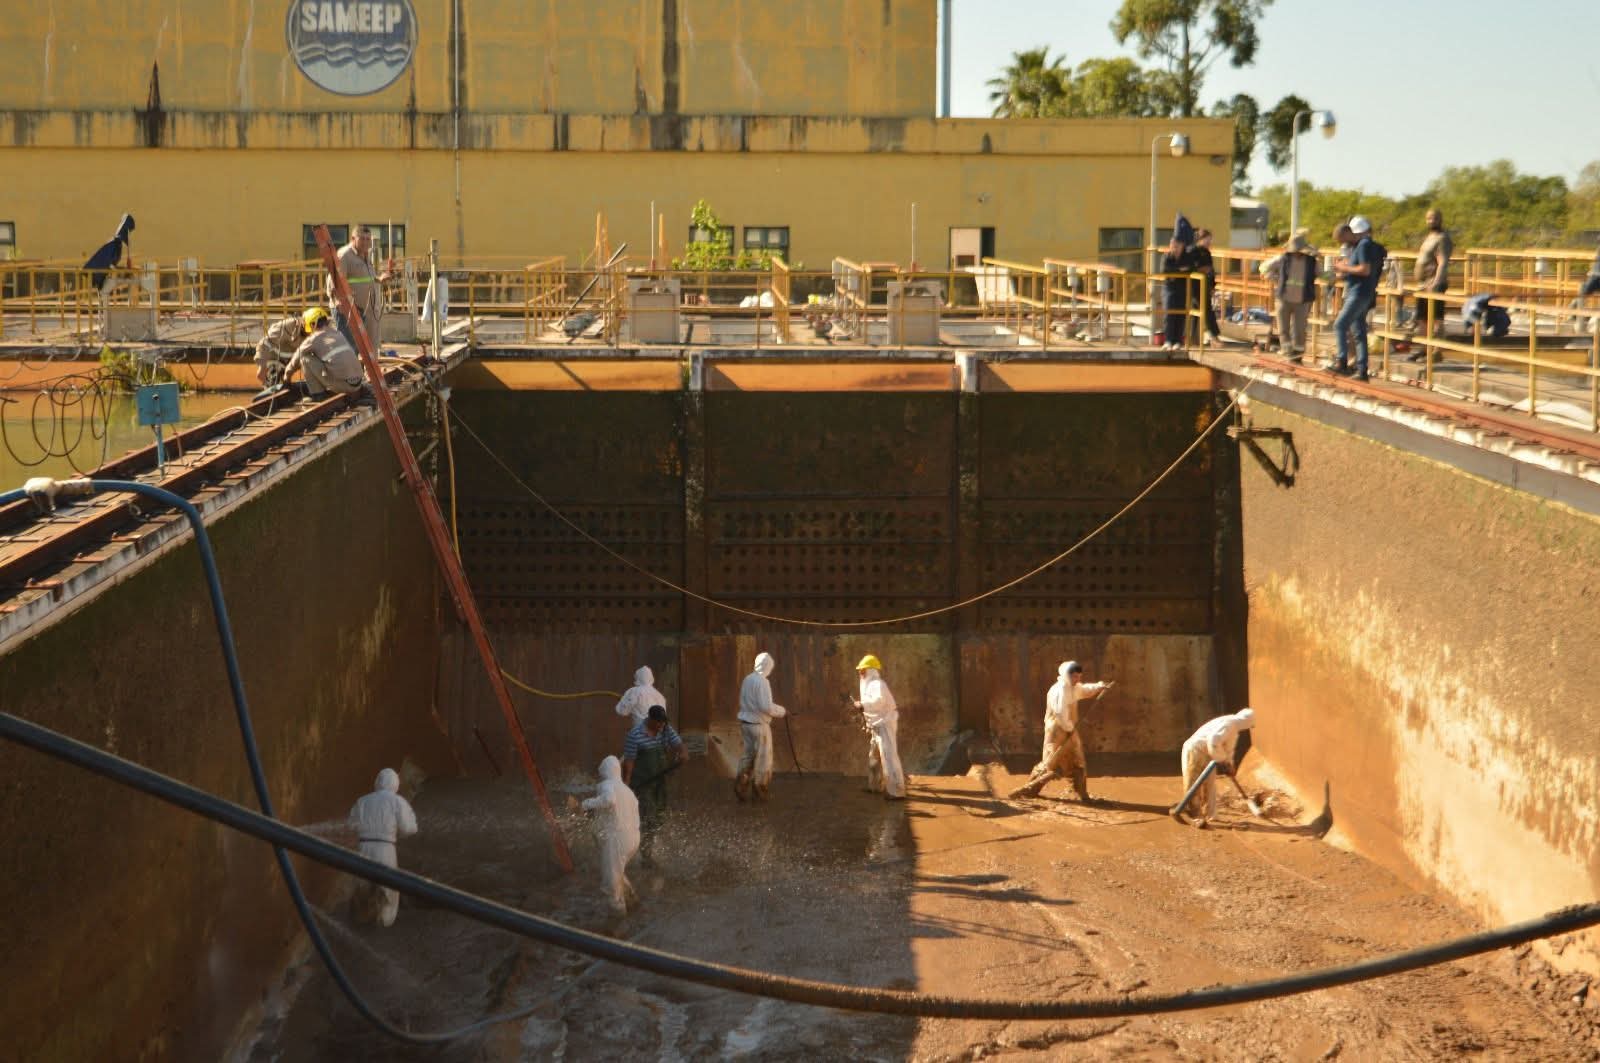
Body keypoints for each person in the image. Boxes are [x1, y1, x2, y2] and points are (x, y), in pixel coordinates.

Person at [1009, 661, 1114, 800]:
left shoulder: (1074, 687)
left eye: (1078, 676)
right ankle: (1031, 790)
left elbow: (1084, 690)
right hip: (1056, 731)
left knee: (1078, 760)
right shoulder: (1059, 690)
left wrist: (1099, 686)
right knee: (1050, 762)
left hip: (1070, 729)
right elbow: (1060, 712)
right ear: (1066, 675)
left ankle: (1081, 792)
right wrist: (1069, 729)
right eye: (1074, 676)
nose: (1077, 679)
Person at [347, 767, 418, 927]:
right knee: (388, 889)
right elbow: (410, 828)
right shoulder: (398, 801)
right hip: (386, 849)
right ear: (396, 784)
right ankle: (383, 923)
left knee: (362, 885)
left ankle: (360, 920)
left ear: (377, 782)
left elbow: (351, 825)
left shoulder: (362, 801)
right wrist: (397, 833)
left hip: (364, 847)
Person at [622, 704, 687, 863]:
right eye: (658, 722)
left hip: (659, 782)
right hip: (643, 784)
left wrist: (683, 753)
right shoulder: (635, 735)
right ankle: (646, 856)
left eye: (663, 722)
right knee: (648, 817)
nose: (661, 725)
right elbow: (629, 762)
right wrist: (626, 787)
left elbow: (679, 744)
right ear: (650, 720)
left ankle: (646, 846)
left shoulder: (665, 729)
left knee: (659, 816)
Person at [1174, 708, 1256, 828]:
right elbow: (1213, 741)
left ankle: (1211, 814)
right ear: (1247, 722)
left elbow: (1229, 750)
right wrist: (1222, 759)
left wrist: (1230, 765)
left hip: (1209, 754)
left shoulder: (1234, 730)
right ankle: (1195, 815)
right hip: (1195, 750)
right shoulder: (1228, 723)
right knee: (1193, 783)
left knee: (1210, 783)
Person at [581, 755, 640, 914]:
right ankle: (632, 899)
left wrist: (586, 804)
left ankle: (617, 918)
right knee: (616, 870)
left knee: (611, 883)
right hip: (633, 840)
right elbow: (634, 819)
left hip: (617, 839)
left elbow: (609, 800)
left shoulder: (607, 784)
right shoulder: (629, 791)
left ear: (606, 771)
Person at [1330, 216, 1385, 381]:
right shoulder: (1368, 246)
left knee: (1339, 325)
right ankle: (1362, 370)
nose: (1344, 243)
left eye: (1344, 238)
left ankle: (1342, 362)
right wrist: (1345, 270)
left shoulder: (1363, 245)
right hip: (1365, 292)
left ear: (1351, 232)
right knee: (1359, 332)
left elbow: (1365, 269)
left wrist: (1343, 267)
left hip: (1358, 293)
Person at [849, 654, 905, 799]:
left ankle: (896, 792)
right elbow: (871, 705)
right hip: (876, 725)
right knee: (874, 757)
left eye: (862, 670)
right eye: (860, 670)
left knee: (888, 756)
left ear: (871, 670)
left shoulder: (878, 684)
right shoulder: (869, 686)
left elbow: (878, 702)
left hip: (885, 724)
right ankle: (875, 786)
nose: (860, 673)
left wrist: (862, 705)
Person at [327, 224, 390, 350]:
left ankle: (365, 370)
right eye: (362, 239)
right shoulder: (345, 255)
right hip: (349, 311)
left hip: (367, 311)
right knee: (349, 348)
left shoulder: (366, 254)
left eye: (368, 239)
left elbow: (365, 278)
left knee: (369, 348)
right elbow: (332, 283)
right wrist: (340, 304)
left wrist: (379, 279)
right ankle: (350, 370)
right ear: (353, 239)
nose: (366, 242)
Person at [735, 651, 787, 801]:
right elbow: (766, 707)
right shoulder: (762, 681)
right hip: (759, 725)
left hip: (746, 724)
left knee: (748, 756)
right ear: (767, 666)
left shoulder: (747, 679)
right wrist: (783, 711)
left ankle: (741, 783)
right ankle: (760, 788)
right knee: (764, 758)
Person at [1260, 229, 1317, 361]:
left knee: (1299, 329)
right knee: (1283, 329)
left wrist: (1334, 275)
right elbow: (1263, 268)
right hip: (1283, 299)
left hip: (1303, 300)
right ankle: (1287, 352)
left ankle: (1297, 356)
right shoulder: (1282, 259)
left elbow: (1323, 274)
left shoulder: (1311, 262)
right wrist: (1274, 278)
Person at [284, 306, 365, 397]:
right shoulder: (337, 333)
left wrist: (286, 378)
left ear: (312, 324)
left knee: (305, 358)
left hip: (343, 386)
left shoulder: (313, 339)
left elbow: (295, 360)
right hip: (358, 384)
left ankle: (318, 394)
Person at [1406, 208, 1453, 350]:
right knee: (1422, 318)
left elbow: (1442, 261)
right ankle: (1423, 349)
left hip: (1434, 283)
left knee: (1436, 318)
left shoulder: (1442, 238)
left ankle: (1437, 350)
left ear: (1440, 219)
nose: (1431, 221)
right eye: (1429, 218)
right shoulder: (1429, 237)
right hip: (1422, 284)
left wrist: (1436, 282)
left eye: (1434, 218)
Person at [1159, 213, 1198, 351]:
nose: (1175, 248)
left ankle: (1178, 341)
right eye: (1173, 245)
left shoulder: (1187, 257)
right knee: (1169, 313)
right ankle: (1168, 340)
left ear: (1182, 246)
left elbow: (1191, 269)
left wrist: (1178, 271)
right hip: (1169, 288)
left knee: (1180, 314)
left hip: (1182, 287)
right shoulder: (1166, 256)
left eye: (1177, 245)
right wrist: (1180, 270)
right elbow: (1165, 270)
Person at [252, 313, 307, 387]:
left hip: (296, 360)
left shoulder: (320, 330)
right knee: (274, 377)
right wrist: (262, 366)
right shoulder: (286, 326)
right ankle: (272, 386)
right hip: (276, 359)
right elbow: (264, 343)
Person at [1193, 228, 1222, 342]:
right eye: (1207, 240)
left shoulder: (1207, 252)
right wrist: (1202, 269)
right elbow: (1192, 268)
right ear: (1200, 239)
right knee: (1205, 310)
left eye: (1210, 240)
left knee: (1198, 311)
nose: (1209, 242)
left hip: (1206, 284)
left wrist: (1213, 286)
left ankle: (1192, 338)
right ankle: (1214, 336)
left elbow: (1211, 270)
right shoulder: (1193, 251)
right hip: (1196, 285)